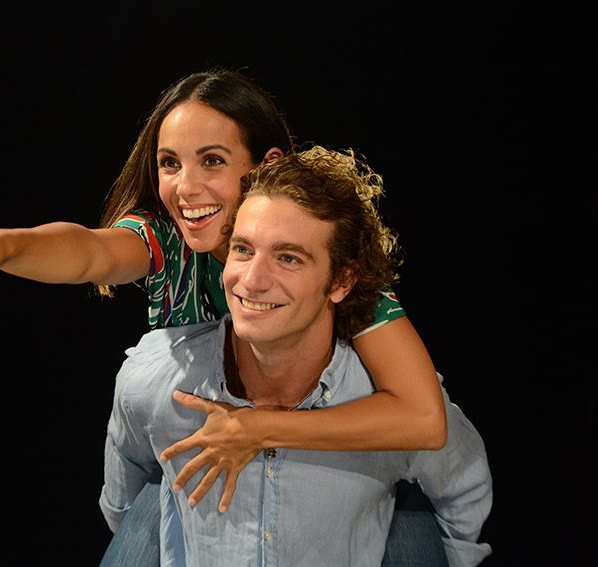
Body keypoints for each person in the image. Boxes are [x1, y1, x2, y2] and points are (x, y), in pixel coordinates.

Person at [0, 70, 446, 509]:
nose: (185, 187)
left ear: (266, 165)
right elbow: (89, 251)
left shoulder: (324, 260)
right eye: (169, 164)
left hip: (334, 481)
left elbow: (424, 418)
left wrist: (259, 429)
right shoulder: (169, 241)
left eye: (212, 161)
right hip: (205, 476)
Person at [100, 146, 492, 566]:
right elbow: (125, 511)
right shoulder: (154, 380)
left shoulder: (388, 405)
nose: (253, 280)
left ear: (341, 282)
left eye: (288, 258)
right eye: (243, 249)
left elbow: (463, 492)